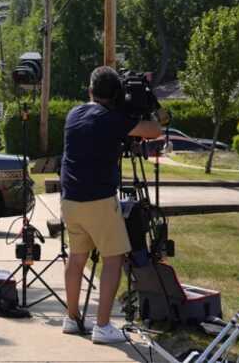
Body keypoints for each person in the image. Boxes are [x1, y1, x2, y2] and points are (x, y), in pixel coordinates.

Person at [60, 66, 162, 344]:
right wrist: (147, 106)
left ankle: (72, 317)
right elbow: (154, 130)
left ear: (90, 90)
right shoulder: (112, 119)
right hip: (99, 201)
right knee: (113, 259)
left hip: (69, 199)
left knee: (77, 258)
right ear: (116, 94)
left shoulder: (73, 114)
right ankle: (102, 326)